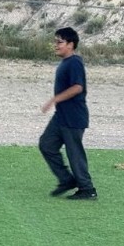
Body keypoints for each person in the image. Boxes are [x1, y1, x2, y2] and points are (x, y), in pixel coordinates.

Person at [39, 27, 97, 200]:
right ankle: (66, 180)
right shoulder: (64, 63)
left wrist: (54, 99)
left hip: (74, 117)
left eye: (60, 42)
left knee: (75, 154)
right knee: (46, 145)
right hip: (61, 117)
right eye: (55, 42)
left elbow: (78, 87)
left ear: (71, 45)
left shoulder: (74, 62)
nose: (56, 45)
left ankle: (87, 189)